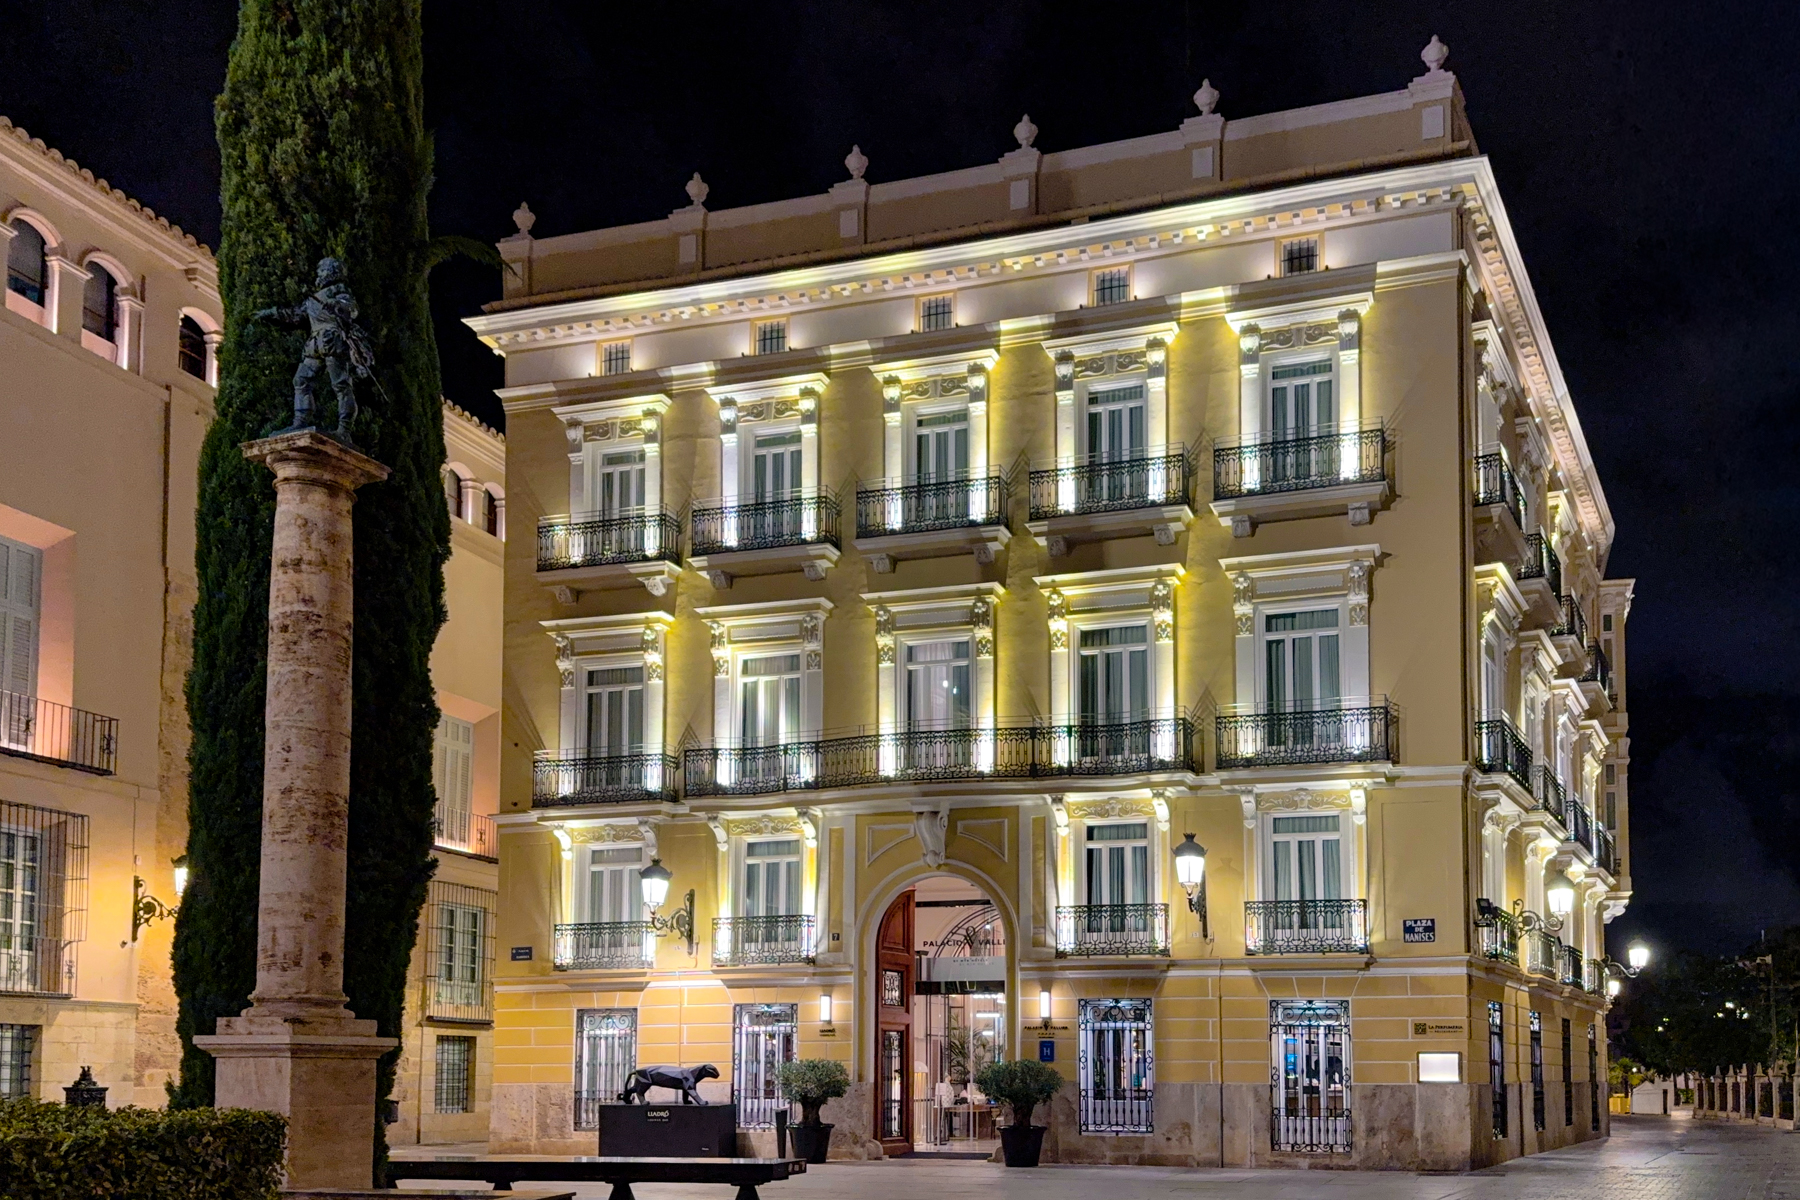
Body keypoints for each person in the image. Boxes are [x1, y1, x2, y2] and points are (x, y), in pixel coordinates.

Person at [253, 257, 374, 440]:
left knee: (341, 385)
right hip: (315, 344)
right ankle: (300, 421)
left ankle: (344, 430)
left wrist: (337, 305)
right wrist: (272, 313)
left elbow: (352, 309)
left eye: (322, 270)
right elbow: (296, 315)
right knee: (301, 380)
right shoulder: (313, 299)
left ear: (331, 272)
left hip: (333, 341)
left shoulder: (339, 290)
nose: (319, 274)